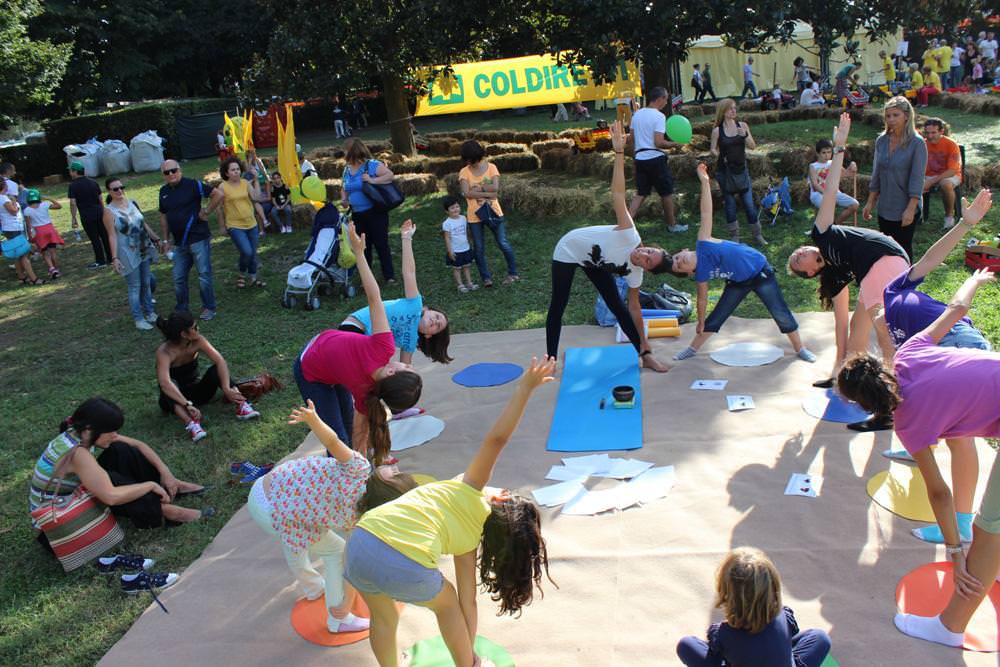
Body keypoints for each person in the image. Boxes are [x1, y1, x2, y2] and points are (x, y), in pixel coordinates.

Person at [344, 356, 555, 667]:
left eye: (506, 493)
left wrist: (525, 388)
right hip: (392, 550)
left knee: (383, 616)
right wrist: (467, 651)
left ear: (497, 502)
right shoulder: (467, 539)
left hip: (360, 541)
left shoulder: (470, 492)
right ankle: (469, 664)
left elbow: (497, 440)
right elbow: (466, 604)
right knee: (448, 606)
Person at [838, 268, 1000, 649]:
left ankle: (951, 626)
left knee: (989, 529)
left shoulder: (909, 425)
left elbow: (940, 494)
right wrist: (974, 279)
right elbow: (958, 307)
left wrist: (956, 553)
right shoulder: (911, 351)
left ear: (866, 405)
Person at [871, 190, 993, 544]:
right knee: (934, 414)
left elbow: (931, 257)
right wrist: (880, 331)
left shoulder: (896, 289)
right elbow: (901, 377)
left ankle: (964, 521)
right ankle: (920, 448)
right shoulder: (886, 323)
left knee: (960, 437)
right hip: (939, 354)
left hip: (957, 343)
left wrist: (964, 224)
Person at [248, 398, 418, 634]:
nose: (396, 468)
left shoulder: (358, 468)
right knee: (327, 546)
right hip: (279, 507)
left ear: (383, 484)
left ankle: (335, 615)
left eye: (395, 473)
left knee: (324, 547)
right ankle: (319, 594)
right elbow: (350, 558)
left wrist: (314, 420)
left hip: (265, 494)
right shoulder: (358, 517)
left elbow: (332, 441)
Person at [788, 113, 910, 407]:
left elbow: (830, 191)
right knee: (857, 327)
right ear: (809, 273)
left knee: (882, 334)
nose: (796, 254)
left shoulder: (822, 236)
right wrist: (835, 368)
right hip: (885, 266)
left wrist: (840, 148)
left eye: (795, 253)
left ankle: (892, 395)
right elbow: (840, 326)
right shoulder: (835, 275)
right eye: (796, 262)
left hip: (887, 261)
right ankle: (847, 379)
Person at [294, 222, 422, 464]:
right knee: (337, 440)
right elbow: (374, 299)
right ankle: (345, 484)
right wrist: (359, 254)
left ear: (393, 370)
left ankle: (352, 480)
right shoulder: (380, 354)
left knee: (345, 438)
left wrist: (360, 253)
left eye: (408, 367)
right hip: (310, 367)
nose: (407, 364)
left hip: (332, 368)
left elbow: (375, 298)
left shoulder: (369, 387)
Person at [546, 121, 669, 372]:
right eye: (649, 251)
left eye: (647, 260)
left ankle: (644, 356)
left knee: (617, 306)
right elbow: (618, 194)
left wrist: (646, 346)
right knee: (559, 303)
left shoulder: (635, 275)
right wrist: (620, 153)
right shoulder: (628, 233)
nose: (643, 255)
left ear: (646, 269)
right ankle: (550, 360)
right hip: (569, 249)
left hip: (595, 261)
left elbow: (633, 309)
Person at [669, 164, 816, 363]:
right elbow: (702, 300)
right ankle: (692, 349)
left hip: (760, 273)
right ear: (689, 273)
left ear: (684, 250)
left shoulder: (703, 241)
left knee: (780, 311)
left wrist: (705, 182)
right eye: (679, 266)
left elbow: (706, 213)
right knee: (717, 316)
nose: (679, 261)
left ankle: (800, 349)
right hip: (738, 282)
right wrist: (701, 320)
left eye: (677, 257)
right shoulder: (701, 273)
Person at [29, 397, 211, 556]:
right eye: (112, 430)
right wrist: (149, 486)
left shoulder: (78, 431)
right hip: (56, 526)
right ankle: (166, 511)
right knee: (110, 479)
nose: (115, 434)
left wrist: (167, 474)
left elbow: (139, 445)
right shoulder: (78, 453)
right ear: (90, 428)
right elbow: (111, 496)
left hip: (69, 502)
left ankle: (172, 487)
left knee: (121, 450)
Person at [676, 547, 831, 667]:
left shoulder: (724, 633)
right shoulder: (783, 616)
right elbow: (788, 637)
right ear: (773, 586)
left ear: (728, 593)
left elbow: (716, 657)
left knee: (686, 645)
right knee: (820, 637)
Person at [341, 220, 452, 364]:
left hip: (369, 345)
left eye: (438, 326)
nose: (435, 321)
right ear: (427, 310)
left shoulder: (411, 342)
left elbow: (404, 368)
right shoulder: (415, 305)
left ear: (429, 335)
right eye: (437, 316)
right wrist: (406, 237)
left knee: (383, 369)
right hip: (355, 327)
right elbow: (409, 272)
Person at [156, 311, 260, 442]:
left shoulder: (198, 341)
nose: (198, 329)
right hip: (174, 401)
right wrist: (187, 404)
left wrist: (227, 388)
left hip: (196, 392)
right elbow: (165, 383)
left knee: (215, 369)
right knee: (168, 383)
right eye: (194, 328)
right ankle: (191, 423)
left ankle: (242, 406)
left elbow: (220, 361)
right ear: (183, 334)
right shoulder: (164, 351)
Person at [863, 96, 927, 260]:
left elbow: (917, 178)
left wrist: (911, 208)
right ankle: (889, 283)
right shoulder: (882, 140)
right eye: (888, 116)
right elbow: (876, 172)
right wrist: (870, 202)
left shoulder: (917, 143)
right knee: (886, 248)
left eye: (895, 115)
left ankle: (905, 283)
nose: (891, 119)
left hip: (906, 205)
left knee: (903, 249)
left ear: (906, 116)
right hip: (885, 205)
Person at [158, 159, 219, 321]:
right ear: (163, 175)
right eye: (166, 172)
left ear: (180, 170)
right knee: (178, 277)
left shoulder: (192, 185)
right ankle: (182, 308)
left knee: (204, 274)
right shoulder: (163, 191)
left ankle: (209, 307)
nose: (171, 174)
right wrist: (165, 240)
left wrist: (206, 211)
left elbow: (218, 194)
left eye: (173, 170)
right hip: (179, 243)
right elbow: (163, 216)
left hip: (198, 238)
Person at [459, 139, 519, 287]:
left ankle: (513, 273)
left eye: (470, 159)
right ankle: (486, 278)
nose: (468, 162)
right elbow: (467, 193)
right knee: (479, 248)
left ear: (477, 156)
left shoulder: (491, 167)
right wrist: (487, 191)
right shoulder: (464, 172)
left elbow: (496, 189)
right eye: (466, 160)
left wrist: (477, 190)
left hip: (493, 211)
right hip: (474, 215)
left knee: (503, 243)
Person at [627, 86, 686, 234]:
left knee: (641, 193)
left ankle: (625, 223)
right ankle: (672, 225)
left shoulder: (636, 115)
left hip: (640, 158)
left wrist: (635, 154)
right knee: (666, 193)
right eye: (666, 98)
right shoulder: (659, 116)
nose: (666, 102)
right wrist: (674, 144)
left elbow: (631, 140)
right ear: (659, 99)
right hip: (655, 159)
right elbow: (658, 142)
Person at [103, 177, 161, 330]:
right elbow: (112, 235)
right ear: (109, 191)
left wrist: (155, 238)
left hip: (143, 247)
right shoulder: (109, 212)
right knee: (134, 286)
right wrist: (114, 257)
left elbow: (143, 223)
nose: (120, 191)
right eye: (115, 189)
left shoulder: (132, 203)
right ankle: (139, 319)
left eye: (122, 187)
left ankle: (150, 312)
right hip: (127, 253)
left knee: (146, 282)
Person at [341, 138, 397, 283]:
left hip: (375, 213)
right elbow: (344, 187)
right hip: (357, 214)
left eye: (346, 150)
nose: (344, 153)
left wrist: (372, 181)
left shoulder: (371, 165)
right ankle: (367, 278)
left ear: (353, 151)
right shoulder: (346, 169)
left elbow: (389, 175)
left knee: (381, 244)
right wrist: (344, 199)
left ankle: (389, 276)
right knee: (363, 247)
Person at [710, 99, 764, 245]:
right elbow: (713, 149)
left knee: (749, 204)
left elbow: (753, 147)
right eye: (730, 109)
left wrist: (745, 135)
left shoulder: (743, 126)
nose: (734, 111)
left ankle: (757, 235)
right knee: (730, 205)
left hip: (741, 170)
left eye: (735, 108)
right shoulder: (717, 131)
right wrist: (718, 155)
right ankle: (735, 237)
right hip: (725, 172)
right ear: (723, 111)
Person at [217, 157, 266, 288]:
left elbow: (256, 197)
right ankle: (242, 273)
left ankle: (253, 278)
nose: (236, 172)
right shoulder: (223, 187)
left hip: (251, 223)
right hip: (234, 225)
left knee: (252, 252)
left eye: (238, 169)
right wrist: (222, 226)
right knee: (247, 252)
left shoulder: (245, 183)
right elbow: (218, 208)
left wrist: (256, 180)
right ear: (226, 173)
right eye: (233, 170)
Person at [921, 117, 963, 229]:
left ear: (941, 131)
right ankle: (917, 215)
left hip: (950, 175)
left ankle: (949, 217)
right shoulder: (922, 144)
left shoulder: (951, 144)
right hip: (928, 174)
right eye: (927, 133)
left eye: (933, 133)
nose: (930, 136)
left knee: (945, 183)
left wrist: (931, 181)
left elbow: (952, 171)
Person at [68, 160, 110, 269]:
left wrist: (73, 217)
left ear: (75, 172)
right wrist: (104, 210)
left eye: (71, 171)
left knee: (94, 238)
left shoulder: (73, 186)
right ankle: (111, 258)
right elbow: (100, 198)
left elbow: (73, 203)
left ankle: (100, 261)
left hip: (87, 216)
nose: (70, 173)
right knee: (105, 236)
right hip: (99, 213)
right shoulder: (93, 182)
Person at [0, 179, 42, 285]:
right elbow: (13, 212)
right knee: (24, 254)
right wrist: (17, 205)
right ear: (4, 186)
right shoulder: (4, 198)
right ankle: (34, 279)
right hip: (13, 228)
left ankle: (21, 277)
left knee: (17, 254)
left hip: (8, 228)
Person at [808, 139, 859, 224]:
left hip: (835, 192)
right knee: (828, 206)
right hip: (818, 194)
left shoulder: (834, 163)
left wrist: (852, 166)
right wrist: (828, 195)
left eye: (829, 152)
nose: (827, 155)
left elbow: (845, 174)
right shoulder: (813, 166)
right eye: (824, 153)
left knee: (854, 205)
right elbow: (815, 185)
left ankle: (835, 224)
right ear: (818, 153)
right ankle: (823, 228)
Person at [22, 189, 64, 280]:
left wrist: (29, 237)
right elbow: (59, 206)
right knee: (53, 251)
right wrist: (49, 198)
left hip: (39, 231)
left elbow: (28, 226)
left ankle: (52, 269)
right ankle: (57, 269)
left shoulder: (27, 210)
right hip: (49, 229)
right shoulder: (45, 205)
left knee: (45, 252)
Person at [440, 195, 478, 293]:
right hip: (456, 250)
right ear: (447, 211)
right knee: (457, 268)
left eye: (457, 206)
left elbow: (467, 232)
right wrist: (450, 251)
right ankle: (460, 285)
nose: (455, 209)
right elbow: (447, 238)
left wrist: (470, 242)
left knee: (466, 266)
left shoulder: (463, 218)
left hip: (465, 248)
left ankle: (469, 283)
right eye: (452, 208)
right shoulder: (447, 223)